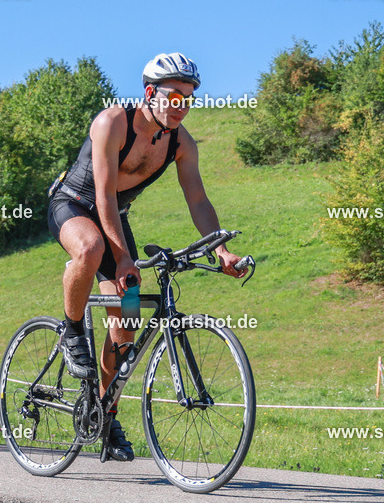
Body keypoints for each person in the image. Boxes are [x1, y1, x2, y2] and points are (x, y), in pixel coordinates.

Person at [47, 52, 246, 461]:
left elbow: (197, 199)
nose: (182, 106)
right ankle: (71, 331)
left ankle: (103, 414)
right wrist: (124, 259)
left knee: (127, 321)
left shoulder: (180, 142)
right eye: (174, 97)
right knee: (90, 248)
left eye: (189, 99)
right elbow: (103, 195)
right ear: (151, 94)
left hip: (115, 218)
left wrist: (221, 250)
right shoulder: (112, 122)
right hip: (74, 205)